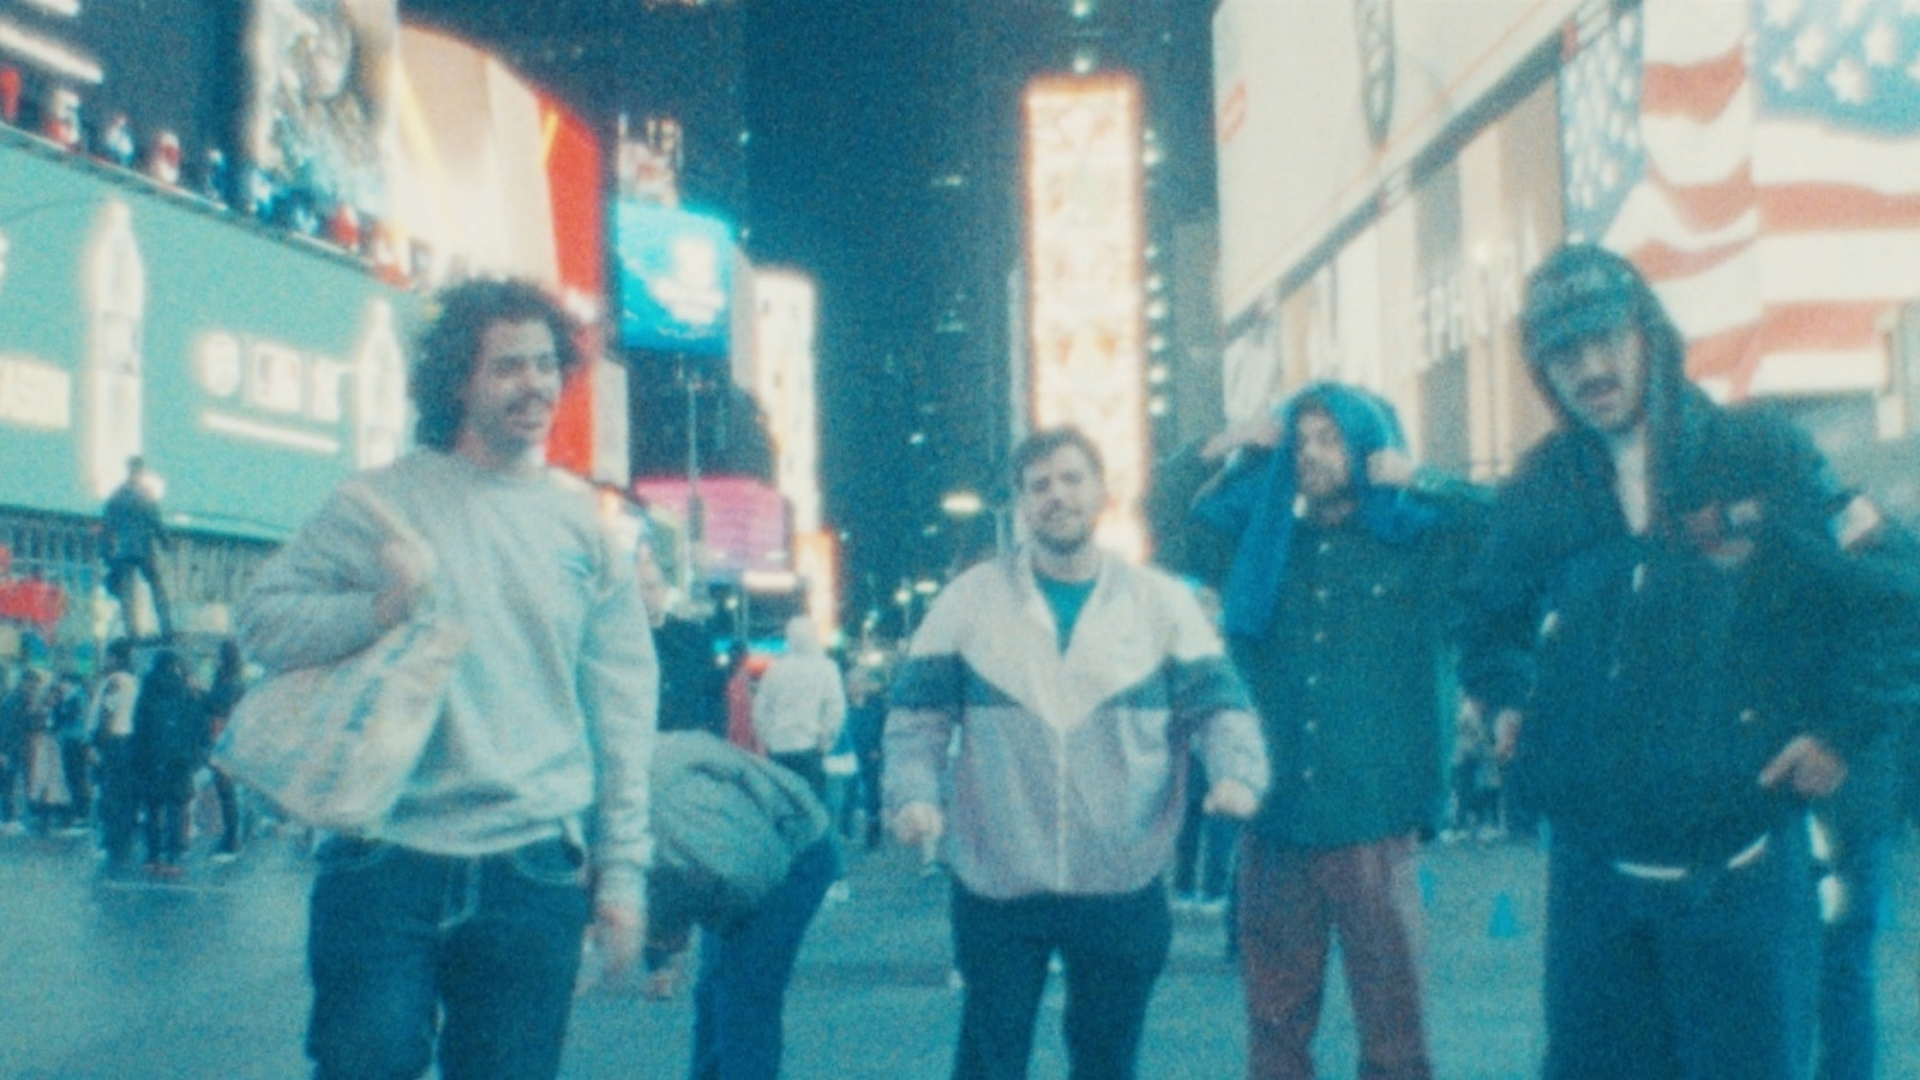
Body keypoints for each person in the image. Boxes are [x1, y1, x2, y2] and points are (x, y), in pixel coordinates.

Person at [1457, 243, 1913, 1080]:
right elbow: (1487, 621)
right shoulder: (1542, 488)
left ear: (1648, 335)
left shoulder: (1758, 454)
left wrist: (1840, 732)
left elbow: (1895, 593)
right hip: (1594, 880)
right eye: (1564, 352)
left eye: (1607, 339)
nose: (1590, 368)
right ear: (1541, 368)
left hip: (1739, 878)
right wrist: (1508, 698)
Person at [237, 277, 658, 1080]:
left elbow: (624, 714)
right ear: (457, 381)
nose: (534, 384)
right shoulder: (377, 504)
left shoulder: (588, 528)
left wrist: (625, 876)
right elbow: (262, 620)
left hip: (532, 870)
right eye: (507, 367)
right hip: (381, 861)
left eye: (545, 365)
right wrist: (376, 608)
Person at [886, 426, 1270, 1080]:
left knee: (1107, 1058)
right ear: (1020, 504)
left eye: (1071, 480)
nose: (1055, 497)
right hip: (998, 876)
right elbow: (917, 715)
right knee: (989, 1056)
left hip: (1121, 873)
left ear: (1101, 494)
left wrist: (1237, 773)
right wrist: (914, 793)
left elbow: (1220, 705)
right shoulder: (970, 601)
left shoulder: (1160, 604)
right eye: (1039, 486)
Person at [1185, 382, 1490, 1080]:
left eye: (1330, 439)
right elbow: (1171, 519)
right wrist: (1235, 445)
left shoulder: (1417, 550)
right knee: (1274, 1029)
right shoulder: (1263, 552)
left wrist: (1423, 480)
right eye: (1301, 441)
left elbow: (1508, 530)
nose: (1312, 455)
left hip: (1374, 821)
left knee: (1395, 1037)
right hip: (1276, 817)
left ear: (1367, 447)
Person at [640, 730, 835, 1080]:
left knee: (744, 995)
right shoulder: (630, 772)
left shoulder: (662, 807)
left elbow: (735, 875)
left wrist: (662, 941)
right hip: (750, 839)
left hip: (790, 852)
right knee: (717, 991)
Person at [752, 615, 846, 798]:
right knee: (810, 807)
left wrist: (768, 739)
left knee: (781, 805)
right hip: (809, 748)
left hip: (778, 748)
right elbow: (835, 710)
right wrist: (824, 741)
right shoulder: (826, 668)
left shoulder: (775, 670)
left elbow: (760, 711)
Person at [129, 648, 204, 878]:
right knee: (177, 808)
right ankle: (174, 857)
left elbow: (138, 727)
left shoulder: (147, 689)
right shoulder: (187, 691)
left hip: (151, 758)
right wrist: (194, 757)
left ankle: (152, 857)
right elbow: (196, 726)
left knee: (152, 808)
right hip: (179, 760)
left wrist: (138, 758)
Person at [101, 455, 173, 639]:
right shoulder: (145, 494)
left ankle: (132, 632)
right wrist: (165, 541)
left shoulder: (117, 495)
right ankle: (166, 627)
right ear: (140, 471)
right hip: (144, 548)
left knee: (127, 593)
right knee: (157, 586)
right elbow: (155, 520)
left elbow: (108, 526)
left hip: (124, 550)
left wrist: (107, 553)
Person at [88, 639, 141, 868]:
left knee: (110, 793)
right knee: (125, 793)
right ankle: (123, 837)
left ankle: (112, 840)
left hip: (112, 742)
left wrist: (97, 742)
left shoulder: (115, 682)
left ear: (115, 658)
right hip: (128, 741)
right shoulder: (135, 682)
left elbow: (108, 712)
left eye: (108, 656)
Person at [202, 639, 248, 860]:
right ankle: (235, 836)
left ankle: (231, 840)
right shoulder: (235, 682)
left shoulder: (227, 684)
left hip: (223, 742)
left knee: (227, 793)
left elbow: (218, 709)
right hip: (229, 741)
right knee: (229, 793)